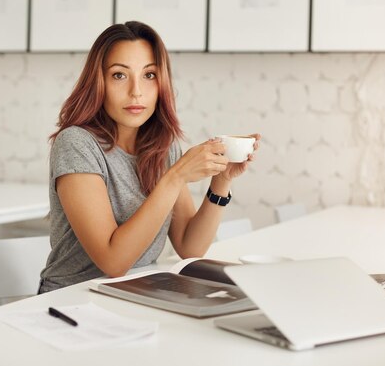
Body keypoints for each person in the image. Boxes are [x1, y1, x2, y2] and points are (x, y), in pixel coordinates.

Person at [38, 21, 260, 293]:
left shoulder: (163, 146)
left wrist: (221, 181)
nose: (136, 91)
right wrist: (175, 176)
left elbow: (190, 247)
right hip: (71, 301)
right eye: (120, 75)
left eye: (149, 75)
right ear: (99, 83)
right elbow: (113, 261)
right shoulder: (76, 144)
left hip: (136, 292)